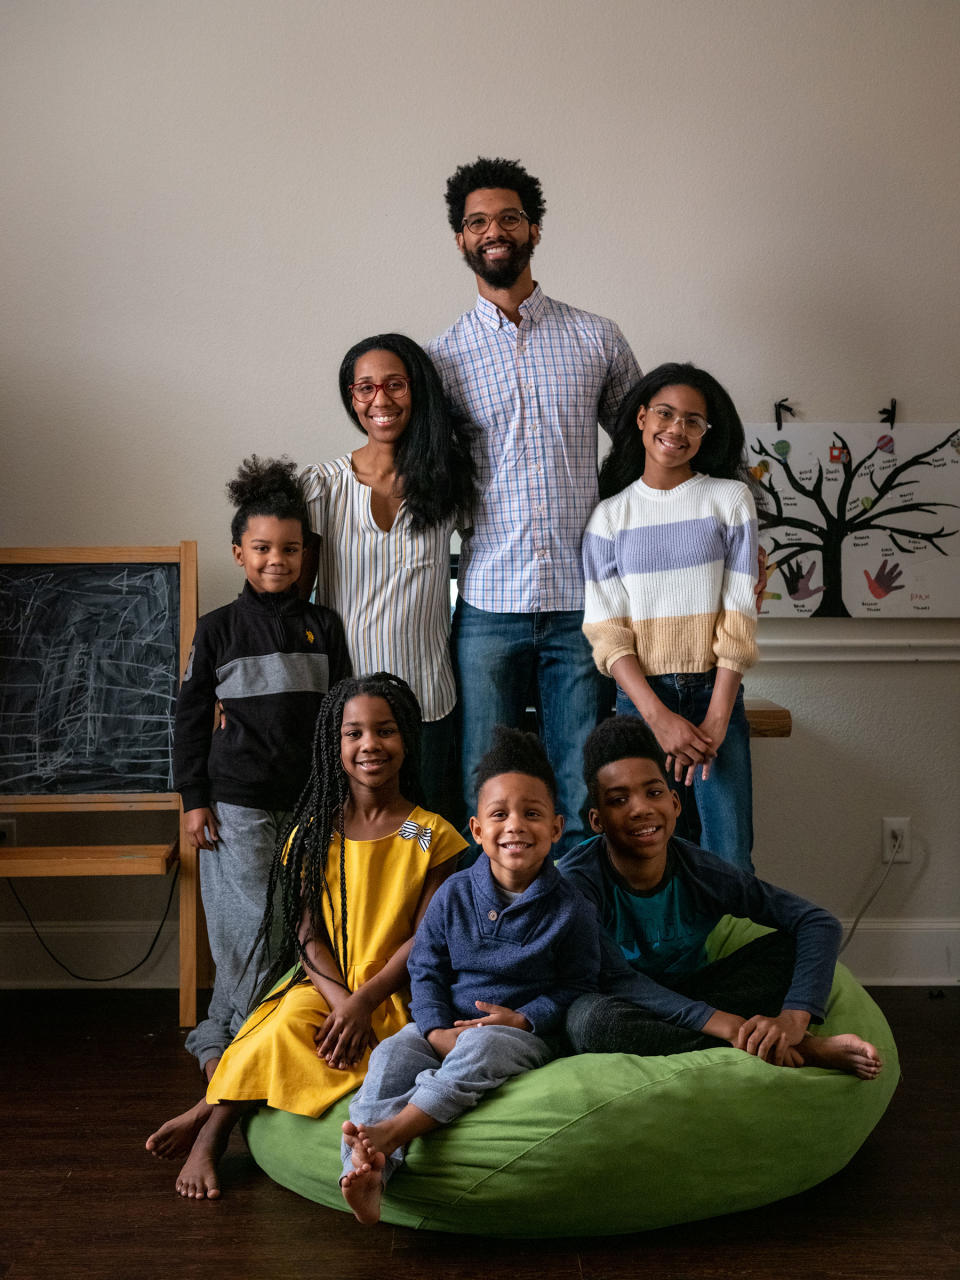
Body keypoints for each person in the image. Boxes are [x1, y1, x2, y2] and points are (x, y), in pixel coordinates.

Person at [147, 673, 466, 1200]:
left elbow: (426, 940)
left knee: (334, 1046)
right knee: (277, 1025)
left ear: (406, 738)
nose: (370, 745)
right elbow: (307, 932)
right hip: (325, 986)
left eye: (385, 731)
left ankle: (207, 1111)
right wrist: (341, 1000)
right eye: (354, 733)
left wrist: (364, 1002)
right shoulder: (316, 830)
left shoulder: (427, 832)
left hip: (393, 991)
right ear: (332, 744)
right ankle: (214, 1133)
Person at [426, 156, 642, 853]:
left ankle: (576, 937)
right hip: (487, 598)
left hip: (583, 601)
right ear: (461, 239)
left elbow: (645, 447)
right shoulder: (442, 360)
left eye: (509, 218)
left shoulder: (596, 338)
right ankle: (495, 939)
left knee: (582, 783)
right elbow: (429, 474)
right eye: (478, 222)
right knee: (484, 780)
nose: (495, 231)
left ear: (534, 229)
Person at [339, 725, 601, 1224]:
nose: (515, 826)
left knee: (482, 1047)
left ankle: (394, 1133)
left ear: (556, 828)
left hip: (514, 1035)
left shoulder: (572, 907)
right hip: (443, 1026)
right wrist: (435, 1028)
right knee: (393, 1050)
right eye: (499, 814)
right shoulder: (455, 893)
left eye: (532, 813)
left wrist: (523, 1019)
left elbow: (580, 985)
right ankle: (366, 1169)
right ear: (478, 830)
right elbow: (425, 967)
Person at [559, 715, 883, 1078]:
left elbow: (816, 922)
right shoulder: (576, 882)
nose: (641, 809)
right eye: (619, 800)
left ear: (675, 805)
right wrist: (729, 1027)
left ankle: (779, 1036)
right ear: (597, 820)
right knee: (588, 1022)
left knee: (791, 950)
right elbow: (616, 979)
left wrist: (793, 1018)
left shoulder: (704, 872)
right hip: (620, 1000)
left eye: (653, 792)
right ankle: (793, 1048)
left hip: (698, 994)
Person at [174, 456, 351, 1078]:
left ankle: (256, 1027)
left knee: (302, 918)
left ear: (307, 553)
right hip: (238, 802)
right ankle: (252, 1041)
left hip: (310, 801)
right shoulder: (218, 629)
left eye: (291, 548)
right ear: (239, 554)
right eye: (263, 548)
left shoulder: (325, 628)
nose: (277, 559)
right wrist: (194, 799)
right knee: (250, 921)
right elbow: (190, 716)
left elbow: (341, 717)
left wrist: (344, 792)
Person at [582, 362, 760, 871]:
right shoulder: (609, 517)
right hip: (640, 703)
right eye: (666, 414)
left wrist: (717, 719)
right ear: (641, 418)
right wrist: (658, 720)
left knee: (728, 854)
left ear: (707, 433)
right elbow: (608, 632)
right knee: (643, 854)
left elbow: (739, 614)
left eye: (693, 421)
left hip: (714, 695)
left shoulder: (729, 500)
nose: (677, 429)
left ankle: (730, 952)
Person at [299, 334, 475, 818]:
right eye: (365, 388)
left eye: (395, 384)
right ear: (351, 397)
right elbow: (290, 603)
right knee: (356, 832)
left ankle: (428, 899)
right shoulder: (322, 487)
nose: (381, 399)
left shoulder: (448, 482)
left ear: (416, 390)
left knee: (424, 832)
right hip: (349, 711)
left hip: (429, 704)